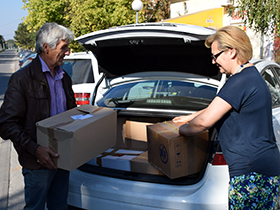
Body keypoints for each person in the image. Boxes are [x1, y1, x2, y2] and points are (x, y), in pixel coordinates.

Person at [173, 26, 280, 209]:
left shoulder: (239, 82)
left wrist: (178, 131)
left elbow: (203, 123)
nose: (213, 61)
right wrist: (190, 116)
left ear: (231, 52)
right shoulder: (250, 76)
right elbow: (219, 105)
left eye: (215, 56)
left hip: (251, 176)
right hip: (264, 171)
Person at [0, 22, 76, 210]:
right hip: (37, 163)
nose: (68, 52)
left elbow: (72, 114)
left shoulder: (64, 77)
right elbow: (6, 124)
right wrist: (35, 150)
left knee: (60, 207)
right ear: (46, 47)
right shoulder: (22, 79)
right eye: (63, 47)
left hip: (63, 159)